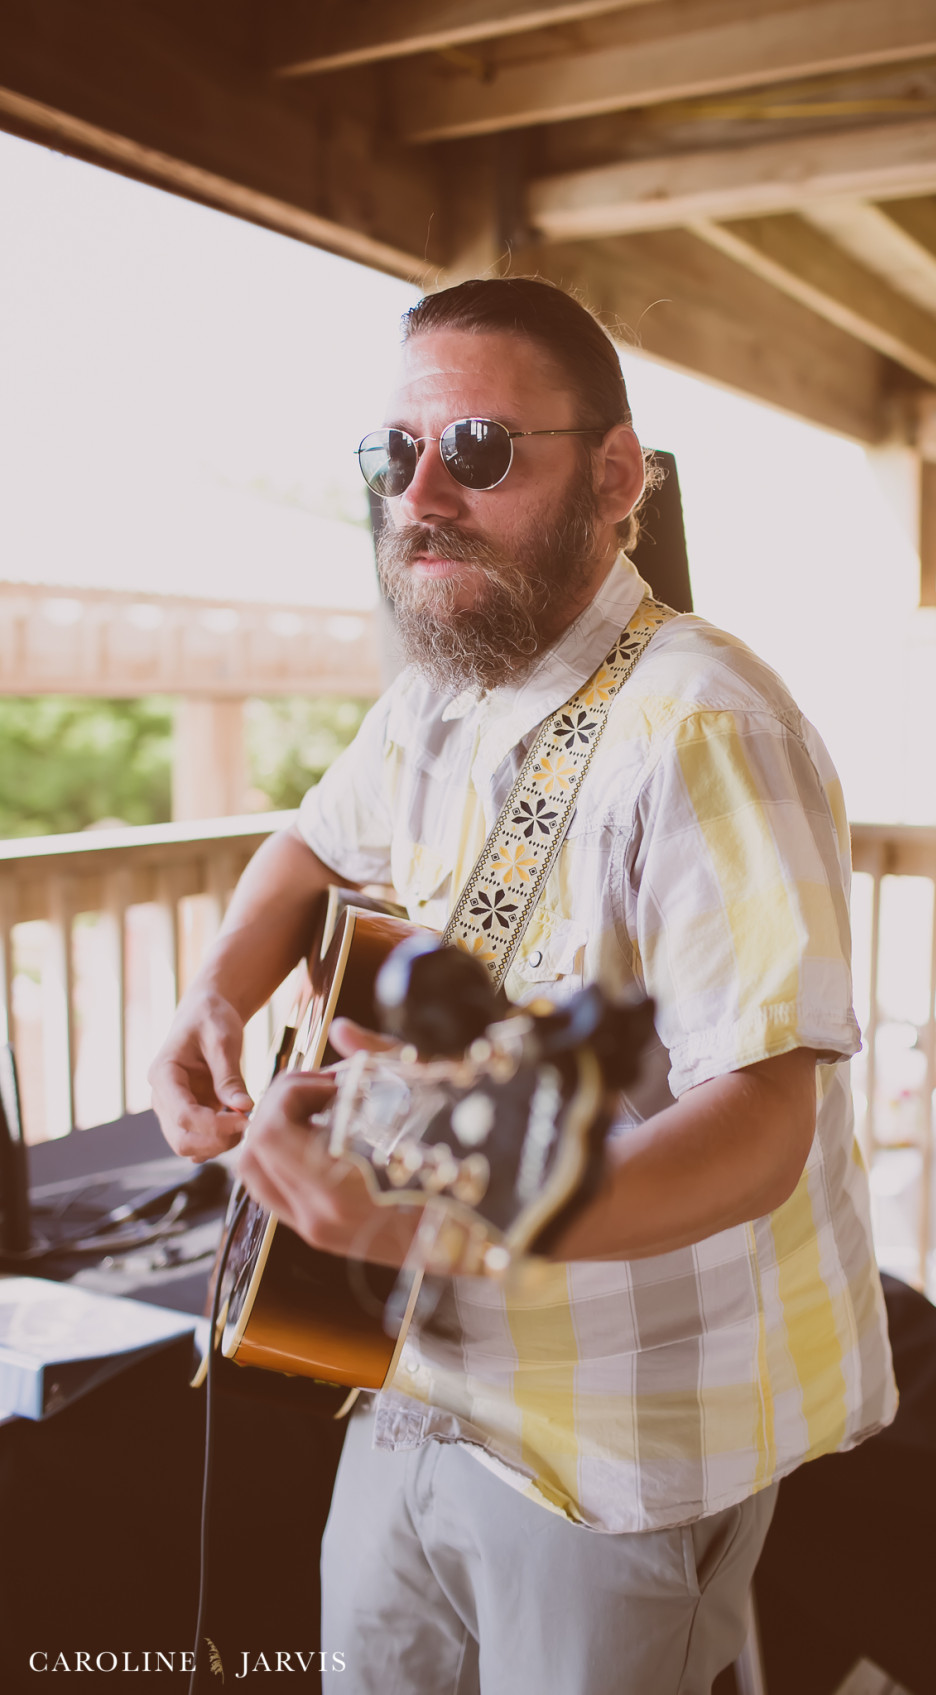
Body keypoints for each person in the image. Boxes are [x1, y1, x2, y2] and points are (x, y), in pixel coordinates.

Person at [150, 277, 896, 1695]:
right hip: (416, 1377)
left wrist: (440, 1221)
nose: (421, 494)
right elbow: (310, 848)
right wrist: (216, 997)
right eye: (396, 453)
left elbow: (758, 1127)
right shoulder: (441, 689)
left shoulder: (704, 724)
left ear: (614, 478)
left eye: (480, 449)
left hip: (617, 1443)